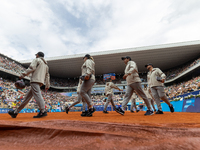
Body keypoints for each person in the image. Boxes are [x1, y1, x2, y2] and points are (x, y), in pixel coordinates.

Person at [8, 52, 50, 118]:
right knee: (26, 98)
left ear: (38, 55)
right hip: (40, 82)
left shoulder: (36, 60)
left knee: (38, 95)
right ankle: (15, 112)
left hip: (35, 80)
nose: (36, 56)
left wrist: (22, 75)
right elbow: (47, 76)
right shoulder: (46, 65)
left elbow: (31, 68)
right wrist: (47, 85)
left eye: (36, 55)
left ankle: (43, 111)